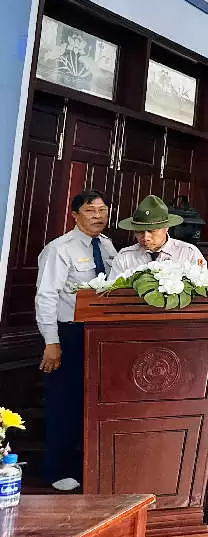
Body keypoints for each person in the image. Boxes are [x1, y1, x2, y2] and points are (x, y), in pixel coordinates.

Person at [34, 189, 116, 491]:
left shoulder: (107, 246)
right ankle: (56, 471)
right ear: (74, 215)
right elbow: (46, 296)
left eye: (102, 210)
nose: (98, 216)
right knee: (64, 403)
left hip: (101, 334)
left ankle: (85, 466)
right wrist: (51, 342)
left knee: (92, 402)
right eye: (90, 211)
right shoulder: (60, 249)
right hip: (68, 333)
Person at [109, 195, 207, 274]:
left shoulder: (189, 253)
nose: (145, 237)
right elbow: (112, 289)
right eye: (139, 231)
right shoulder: (125, 257)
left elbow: (202, 285)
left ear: (166, 227)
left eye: (152, 231)